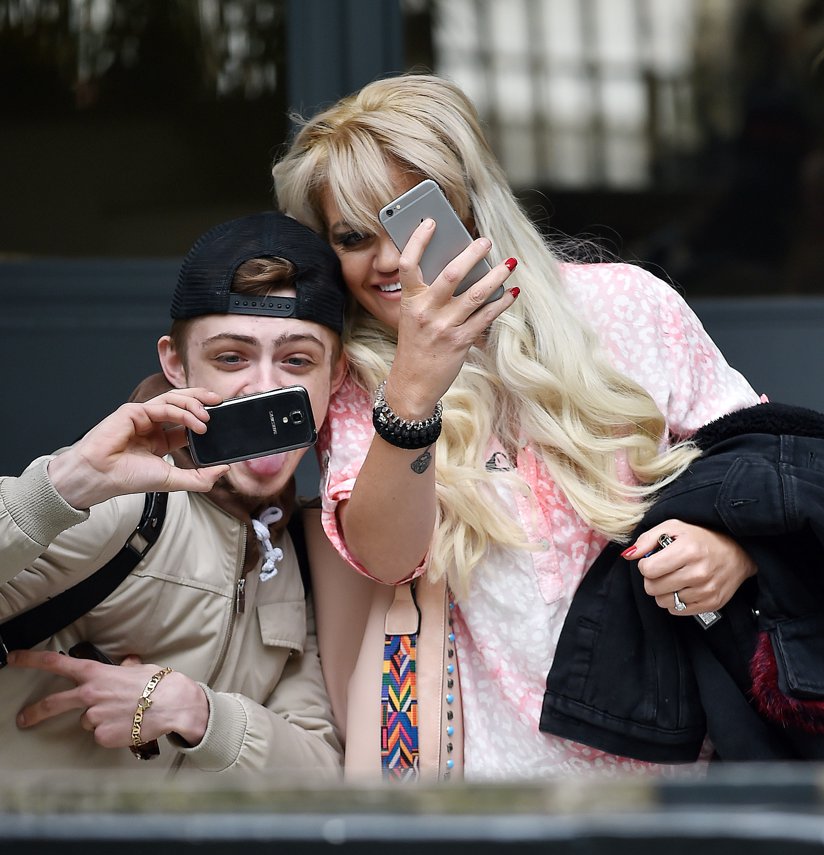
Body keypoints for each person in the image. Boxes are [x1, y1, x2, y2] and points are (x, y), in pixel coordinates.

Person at [272, 73, 762, 780]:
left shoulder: (628, 305)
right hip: (493, 779)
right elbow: (385, 557)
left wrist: (730, 552)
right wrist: (414, 385)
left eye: (407, 219)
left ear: (473, 202)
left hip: (686, 769)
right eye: (351, 237)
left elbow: (760, 476)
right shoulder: (356, 376)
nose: (388, 259)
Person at [0, 211, 347, 776]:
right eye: (231, 357)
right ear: (176, 365)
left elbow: (321, 774)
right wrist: (65, 485)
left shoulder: (296, 547)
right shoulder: (122, 505)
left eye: (297, 360)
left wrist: (197, 714)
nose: (264, 386)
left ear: (336, 375)